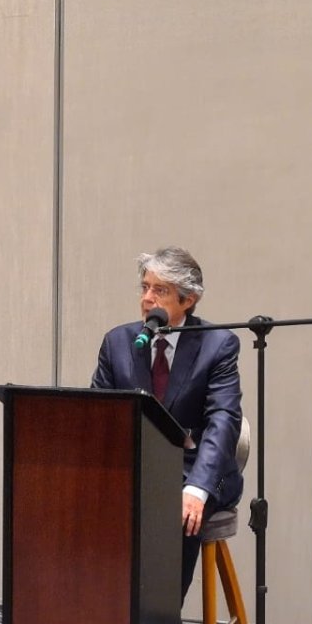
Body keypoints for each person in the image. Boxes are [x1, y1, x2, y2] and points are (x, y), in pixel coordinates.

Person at [90, 246, 243, 602]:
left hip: (194, 470)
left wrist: (197, 489)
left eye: (159, 290)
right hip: (136, 467)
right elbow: (99, 415)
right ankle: (101, 617)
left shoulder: (217, 345)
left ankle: (158, 620)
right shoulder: (118, 342)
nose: (147, 298)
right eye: (144, 287)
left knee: (175, 512)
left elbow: (223, 420)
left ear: (188, 299)